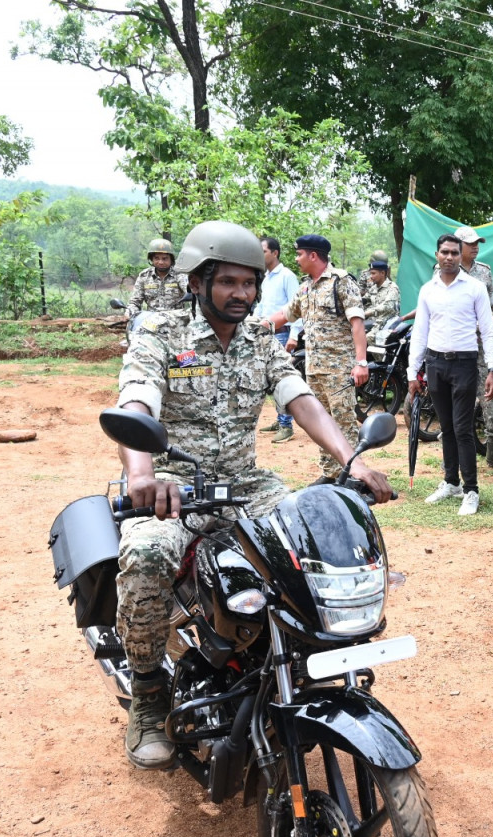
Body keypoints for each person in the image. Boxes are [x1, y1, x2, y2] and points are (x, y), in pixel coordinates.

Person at [112, 220, 391, 770]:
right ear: (199, 281)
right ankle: (147, 693)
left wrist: (352, 458)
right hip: (173, 487)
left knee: (306, 543)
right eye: (229, 283)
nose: (241, 293)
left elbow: (301, 400)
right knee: (145, 558)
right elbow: (136, 403)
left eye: (249, 283)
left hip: (245, 483)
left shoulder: (260, 341)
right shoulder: (160, 335)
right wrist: (142, 475)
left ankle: (294, 666)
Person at [407, 233, 493, 516]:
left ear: (461, 256)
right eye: (444, 252)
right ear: (437, 254)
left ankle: (471, 490)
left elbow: (488, 329)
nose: (449, 257)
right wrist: (413, 371)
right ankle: (451, 483)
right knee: (445, 428)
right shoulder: (428, 290)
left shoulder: (474, 288)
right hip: (435, 363)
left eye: (454, 253)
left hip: (464, 363)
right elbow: (420, 332)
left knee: (462, 428)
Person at [267, 235, 369, 483]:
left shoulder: (341, 282)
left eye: (300, 254)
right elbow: (286, 314)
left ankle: (351, 474)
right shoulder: (305, 287)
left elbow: (357, 323)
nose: (297, 258)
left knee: (343, 422)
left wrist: (361, 362)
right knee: (322, 425)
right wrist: (260, 326)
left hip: (339, 370)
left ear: (313, 255)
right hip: (315, 369)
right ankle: (330, 473)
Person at [453, 225, 493, 472]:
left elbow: (492, 307)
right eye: (470, 243)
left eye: (478, 243)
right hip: (456, 349)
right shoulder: (444, 271)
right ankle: (456, 456)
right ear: (457, 246)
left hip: (481, 348)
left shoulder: (484, 272)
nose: (476, 246)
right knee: (457, 404)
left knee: (490, 399)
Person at [255, 236, 301, 443]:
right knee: (269, 380)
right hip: (266, 332)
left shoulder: (287, 276)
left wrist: (294, 335)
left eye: (263, 251)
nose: (260, 254)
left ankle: (286, 425)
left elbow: (298, 308)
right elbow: (263, 307)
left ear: (275, 253)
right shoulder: (265, 277)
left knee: (282, 379)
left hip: (283, 332)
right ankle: (279, 419)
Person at [126, 238, 188, 318]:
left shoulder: (179, 274)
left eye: (164, 258)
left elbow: (189, 291)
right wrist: (130, 311)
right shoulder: (144, 276)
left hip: (175, 321)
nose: (161, 262)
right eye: (156, 258)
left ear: (171, 259)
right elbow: (135, 301)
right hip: (151, 321)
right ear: (151, 259)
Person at [362, 258, 401, 331]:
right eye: (370, 273)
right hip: (372, 322)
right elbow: (365, 299)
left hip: (385, 324)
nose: (371, 276)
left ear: (382, 273)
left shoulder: (392, 288)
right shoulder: (374, 288)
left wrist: (367, 313)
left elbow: (387, 306)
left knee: (365, 339)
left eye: (373, 273)